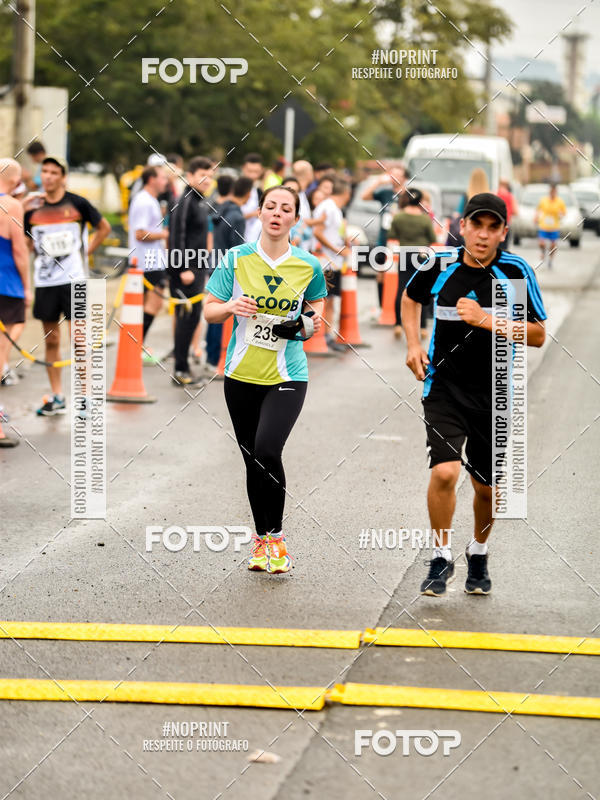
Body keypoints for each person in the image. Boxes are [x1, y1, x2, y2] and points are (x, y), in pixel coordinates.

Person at [401, 193, 546, 597]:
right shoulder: (439, 266)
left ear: (503, 232)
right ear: (461, 226)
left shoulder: (515, 271)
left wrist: (487, 320)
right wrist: (413, 344)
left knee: (485, 489)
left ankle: (478, 552)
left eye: (492, 227)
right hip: (443, 388)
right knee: (445, 472)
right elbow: (410, 298)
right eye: (475, 225)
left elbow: (537, 335)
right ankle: (441, 555)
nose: (482, 235)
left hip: (495, 393)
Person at [203, 185, 327, 573]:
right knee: (252, 459)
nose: (276, 213)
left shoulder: (308, 264)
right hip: (240, 374)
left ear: (295, 218)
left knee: (268, 448)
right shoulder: (236, 259)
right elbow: (208, 311)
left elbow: (317, 314)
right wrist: (229, 306)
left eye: (285, 208)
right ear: (259, 213)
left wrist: (304, 325)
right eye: (270, 206)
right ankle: (262, 540)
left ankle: (277, 539)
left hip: (288, 374)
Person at [24, 156, 111, 416]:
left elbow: (104, 228)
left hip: (75, 282)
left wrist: (86, 253)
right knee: (52, 341)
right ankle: (57, 396)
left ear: (63, 177)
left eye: (54, 172)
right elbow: (26, 242)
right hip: (46, 282)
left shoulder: (78, 204)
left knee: (80, 340)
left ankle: (84, 397)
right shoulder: (32, 209)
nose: (48, 176)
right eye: (45, 172)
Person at [167, 156, 214, 386]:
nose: (207, 180)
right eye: (203, 175)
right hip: (184, 269)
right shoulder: (185, 200)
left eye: (210, 176)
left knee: (193, 317)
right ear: (192, 175)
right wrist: (182, 268)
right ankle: (180, 370)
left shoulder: (200, 200)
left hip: (197, 268)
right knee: (186, 319)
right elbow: (177, 234)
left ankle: (183, 367)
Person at [205, 176, 253, 374]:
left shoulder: (220, 209)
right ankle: (220, 359)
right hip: (229, 269)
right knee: (225, 314)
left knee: (214, 310)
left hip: (214, 264)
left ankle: (211, 356)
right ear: (248, 194)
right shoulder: (237, 216)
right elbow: (237, 248)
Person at [0, 159, 31, 443]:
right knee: (15, 327)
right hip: (7, 283)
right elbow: (20, 251)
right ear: (15, 178)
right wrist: (28, 286)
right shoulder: (12, 206)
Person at [127, 165, 169, 345]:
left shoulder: (150, 199)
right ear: (151, 179)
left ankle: (136, 345)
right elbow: (140, 233)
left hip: (151, 260)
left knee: (148, 305)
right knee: (153, 304)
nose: (166, 182)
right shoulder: (144, 200)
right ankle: (136, 345)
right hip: (146, 261)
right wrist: (164, 234)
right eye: (162, 178)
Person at [389, 188, 436, 340]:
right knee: (422, 289)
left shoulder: (399, 217)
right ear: (420, 200)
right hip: (422, 255)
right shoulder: (424, 218)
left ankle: (397, 324)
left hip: (404, 254)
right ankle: (422, 327)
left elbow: (392, 235)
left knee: (401, 289)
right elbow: (432, 237)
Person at [312, 177, 352, 352]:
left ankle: (327, 337)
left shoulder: (335, 208)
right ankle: (321, 337)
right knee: (324, 300)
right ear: (346, 193)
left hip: (333, 261)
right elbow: (318, 232)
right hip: (325, 260)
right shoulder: (328, 207)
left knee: (331, 300)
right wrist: (336, 249)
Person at [361, 166, 407, 306]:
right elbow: (365, 196)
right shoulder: (385, 192)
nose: (395, 178)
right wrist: (378, 182)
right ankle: (383, 305)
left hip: (403, 239)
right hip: (384, 237)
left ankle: (397, 305)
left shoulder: (408, 195)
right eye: (392, 175)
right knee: (381, 272)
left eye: (398, 175)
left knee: (400, 274)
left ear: (404, 178)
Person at [535, 183, 566, 269]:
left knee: (553, 246)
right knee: (541, 243)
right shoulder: (544, 200)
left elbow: (564, 213)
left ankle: (550, 260)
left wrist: (561, 214)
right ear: (549, 192)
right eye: (551, 191)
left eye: (554, 192)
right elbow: (538, 210)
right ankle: (543, 251)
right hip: (544, 225)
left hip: (554, 227)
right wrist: (536, 217)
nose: (552, 193)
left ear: (556, 192)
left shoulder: (560, 201)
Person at [240, 153, 264, 243]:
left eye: (256, 172)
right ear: (243, 169)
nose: (252, 175)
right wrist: (254, 214)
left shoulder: (259, 191)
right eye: (249, 171)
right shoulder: (234, 190)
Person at [496, 179, 518, 250]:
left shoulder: (495, 194)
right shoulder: (510, 196)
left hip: (496, 224)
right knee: (504, 249)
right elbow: (516, 212)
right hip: (506, 224)